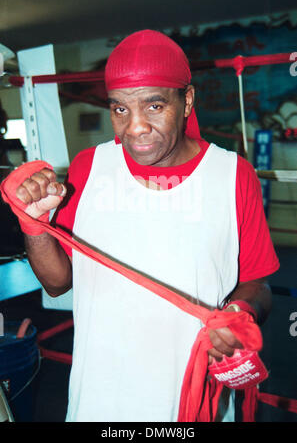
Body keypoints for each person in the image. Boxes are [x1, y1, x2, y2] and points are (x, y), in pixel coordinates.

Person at [12, 30, 279, 422]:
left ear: (186, 101)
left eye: (154, 106)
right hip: (98, 401)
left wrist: (242, 311)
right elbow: (57, 282)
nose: (134, 127)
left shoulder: (232, 175)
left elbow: (259, 282)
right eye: (120, 109)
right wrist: (34, 225)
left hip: (192, 402)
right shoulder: (90, 168)